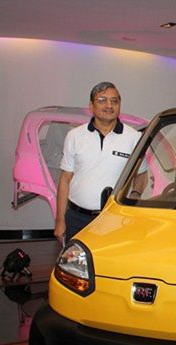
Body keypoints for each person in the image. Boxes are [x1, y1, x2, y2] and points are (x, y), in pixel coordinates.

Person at [54, 81, 144, 244]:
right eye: (102, 100)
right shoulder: (74, 136)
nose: (109, 105)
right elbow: (65, 179)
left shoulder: (134, 138)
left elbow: (142, 174)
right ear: (91, 106)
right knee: (75, 267)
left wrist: (134, 196)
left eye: (114, 101)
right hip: (77, 219)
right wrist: (60, 221)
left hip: (115, 220)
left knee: (112, 266)